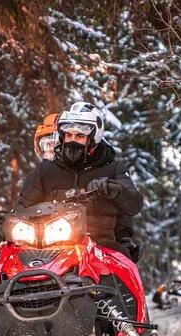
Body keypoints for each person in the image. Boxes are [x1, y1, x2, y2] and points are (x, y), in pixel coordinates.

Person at [17, 102, 143, 258]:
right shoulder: (46, 171)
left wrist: (115, 190)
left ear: (93, 138)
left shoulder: (113, 168)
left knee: (124, 264)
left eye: (80, 136)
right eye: (68, 135)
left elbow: (134, 204)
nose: (72, 141)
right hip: (49, 250)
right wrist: (4, 232)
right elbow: (22, 207)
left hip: (101, 249)